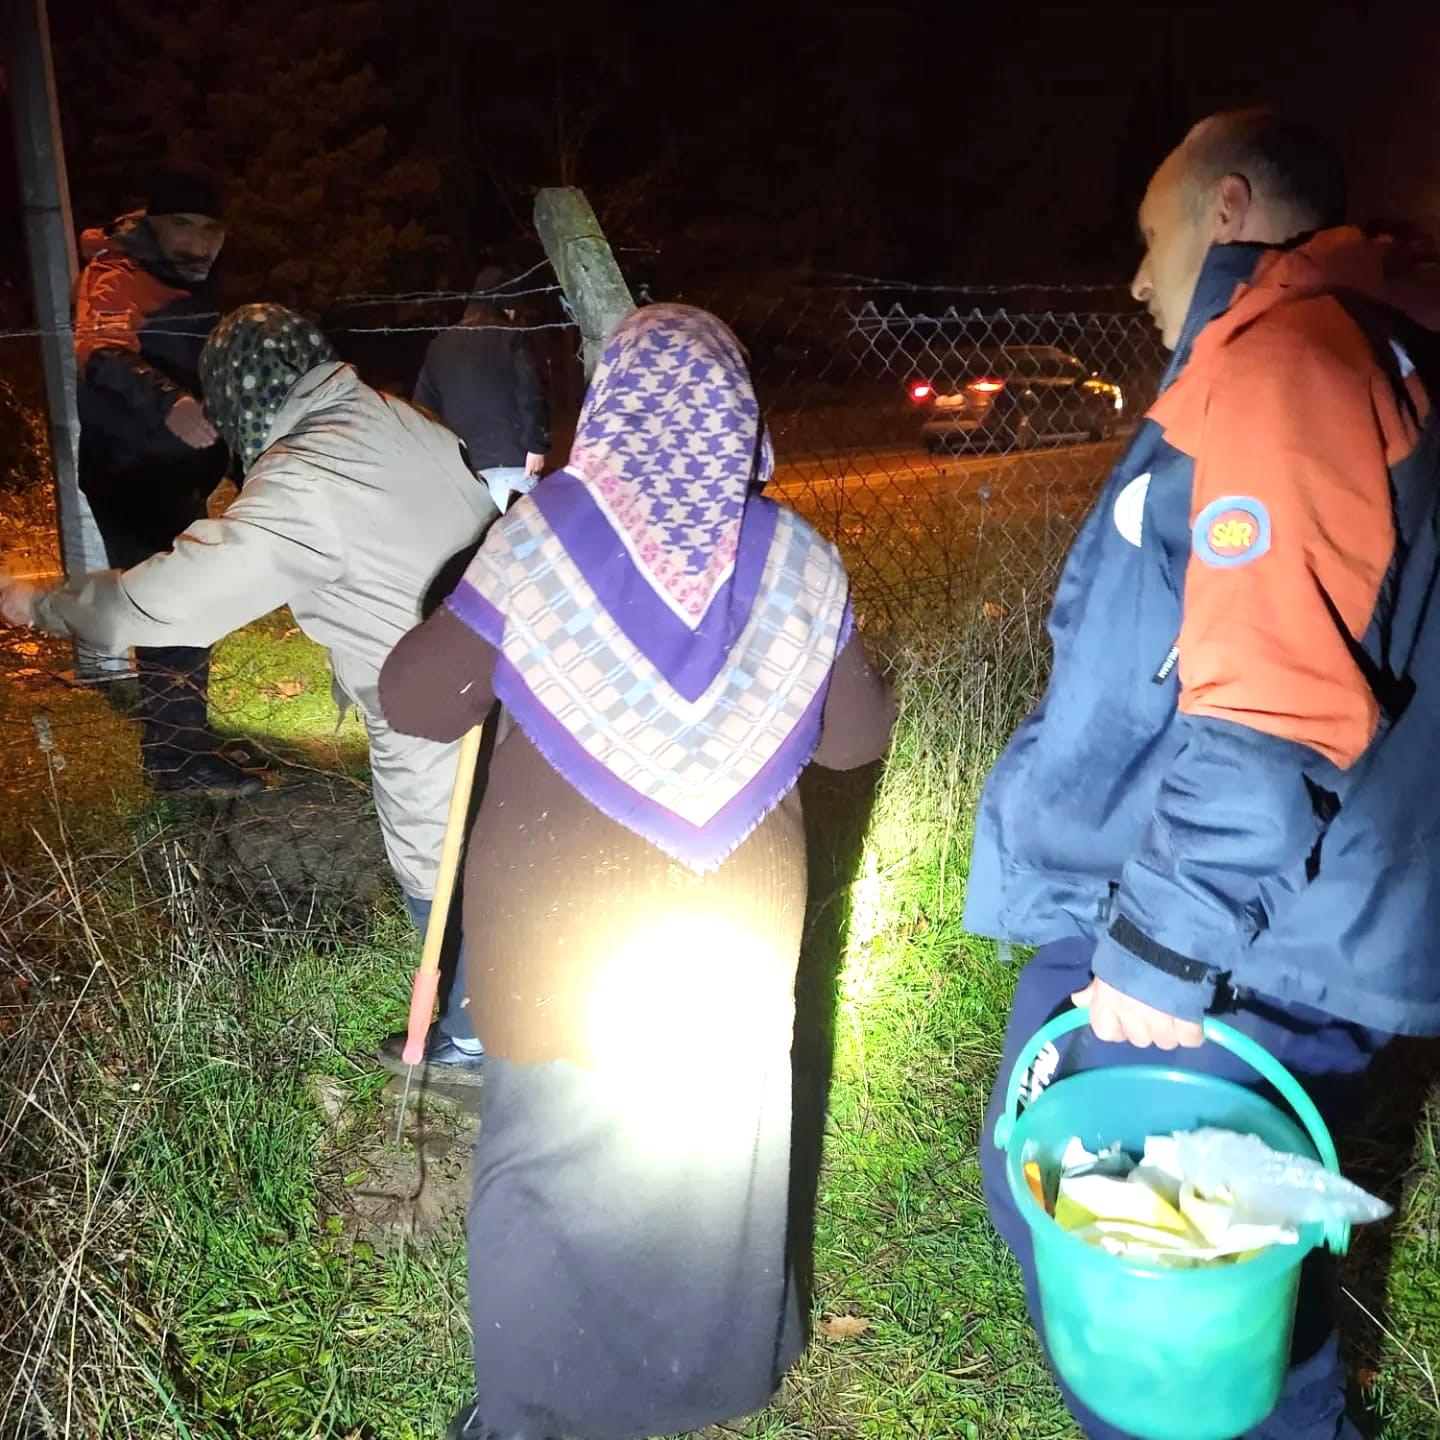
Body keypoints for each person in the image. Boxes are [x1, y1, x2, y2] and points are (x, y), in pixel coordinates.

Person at [965, 109, 1440, 1439]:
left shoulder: (1287, 361)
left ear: (1228, 211)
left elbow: (1275, 686)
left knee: (1163, 1283)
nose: (1133, 277)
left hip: (1225, 935)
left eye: (1149, 237)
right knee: (1213, 1265)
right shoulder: (1356, 348)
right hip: (1284, 916)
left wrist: (1167, 947)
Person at [378, 303, 896, 1440]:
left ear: (608, 410)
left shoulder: (543, 536)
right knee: (713, 1163)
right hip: (735, 940)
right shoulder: (802, 555)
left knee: (548, 1168)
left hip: (556, 943)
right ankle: (707, 1378)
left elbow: (414, 699)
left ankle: (535, 1412)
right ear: (742, 421)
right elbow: (855, 741)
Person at [0, 304, 498, 1076]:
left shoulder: (306, 475)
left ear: (237, 405)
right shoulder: (396, 418)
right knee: (497, 840)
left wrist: (47, 604)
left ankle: (472, 1041)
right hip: (504, 665)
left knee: (440, 859)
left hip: (432, 697)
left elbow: (165, 602)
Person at [73, 163, 253, 794]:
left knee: (182, 606)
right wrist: (169, 403)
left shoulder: (183, 280)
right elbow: (100, 353)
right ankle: (176, 761)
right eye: (184, 225)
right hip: (133, 477)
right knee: (171, 610)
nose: (200, 242)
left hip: (175, 479)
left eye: (211, 229)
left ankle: (182, 740)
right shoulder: (120, 274)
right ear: (152, 223)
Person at [412, 265, 550, 514]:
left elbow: (422, 409)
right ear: (506, 306)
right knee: (520, 546)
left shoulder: (439, 346)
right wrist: (536, 446)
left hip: (464, 473)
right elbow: (529, 392)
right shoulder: (511, 336)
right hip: (513, 462)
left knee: (482, 549)